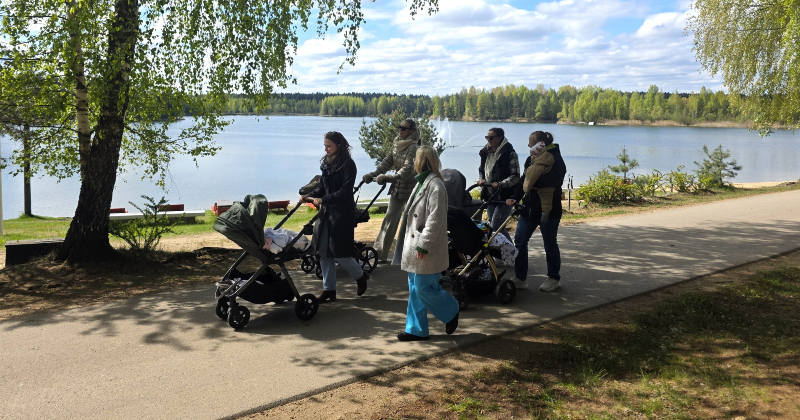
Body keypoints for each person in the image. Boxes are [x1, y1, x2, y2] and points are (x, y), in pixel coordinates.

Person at [393, 145, 459, 341]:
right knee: (415, 288)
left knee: (423, 287)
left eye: (416, 159)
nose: (414, 162)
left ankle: (451, 309)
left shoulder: (435, 185)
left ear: (422, 161)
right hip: (416, 247)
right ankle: (416, 330)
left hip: (426, 248)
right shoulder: (422, 182)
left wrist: (424, 245)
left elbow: (435, 219)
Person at [301, 131, 369, 302]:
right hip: (326, 213)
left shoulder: (349, 165)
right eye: (324, 146)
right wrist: (308, 195)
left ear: (339, 146)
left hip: (341, 214)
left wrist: (322, 199)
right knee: (323, 252)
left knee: (339, 253)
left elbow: (346, 192)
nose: (326, 150)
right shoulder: (327, 164)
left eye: (328, 146)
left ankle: (361, 276)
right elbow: (323, 187)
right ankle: (329, 289)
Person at [507, 131, 566, 291]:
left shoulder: (556, 160)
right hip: (528, 209)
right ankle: (520, 278)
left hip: (549, 210)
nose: (528, 146)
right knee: (519, 241)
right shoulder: (530, 160)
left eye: (531, 143)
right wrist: (515, 196)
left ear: (541, 145)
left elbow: (553, 180)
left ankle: (554, 278)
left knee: (549, 244)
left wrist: (531, 181)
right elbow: (522, 181)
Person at [362, 118, 420, 262]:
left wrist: (389, 178)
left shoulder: (414, 147)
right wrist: (373, 174)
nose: (400, 130)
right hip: (398, 188)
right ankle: (379, 253)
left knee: (411, 222)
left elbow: (408, 169)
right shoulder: (397, 144)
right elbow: (387, 162)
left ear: (411, 131)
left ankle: (410, 256)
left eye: (404, 128)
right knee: (389, 219)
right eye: (399, 127)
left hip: (412, 189)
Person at [478, 127, 520, 240]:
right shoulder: (485, 153)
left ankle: (511, 252)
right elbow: (481, 170)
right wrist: (482, 179)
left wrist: (501, 184)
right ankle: (506, 252)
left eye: (491, 138)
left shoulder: (510, 153)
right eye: (487, 137)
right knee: (496, 228)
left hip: (504, 196)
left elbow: (515, 176)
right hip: (490, 195)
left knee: (495, 228)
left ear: (500, 138)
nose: (488, 140)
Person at [522, 141, 555, 222]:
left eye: (533, 154)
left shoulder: (537, 165)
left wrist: (525, 190)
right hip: (549, 189)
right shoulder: (549, 158)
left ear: (538, 154)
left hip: (541, 191)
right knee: (547, 200)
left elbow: (530, 179)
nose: (531, 156)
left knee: (545, 203)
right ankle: (545, 213)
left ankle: (544, 216)